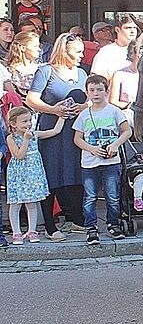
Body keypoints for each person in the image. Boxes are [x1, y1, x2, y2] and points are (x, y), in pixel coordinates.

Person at [26, 33, 88, 239]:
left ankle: (76, 219)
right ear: (64, 50)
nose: (82, 55)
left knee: (75, 172)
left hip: (75, 130)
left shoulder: (82, 73)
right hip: (52, 130)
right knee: (51, 174)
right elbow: (31, 100)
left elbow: (89, 99)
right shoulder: (46, 71)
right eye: (77, 51)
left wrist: (83, 107)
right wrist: (54, 110)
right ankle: (50, 225)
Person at [72, 74, 132, 245]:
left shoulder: (114, 111)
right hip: (90, 163)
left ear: (106, 91)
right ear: (87, 93)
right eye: (92, 90)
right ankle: (91, 227)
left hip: (111, 162)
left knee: (112, 195)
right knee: (90, 196)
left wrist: (115, 145)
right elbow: (77, 139)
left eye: (99, 90)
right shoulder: (84, 115)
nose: (96, 93)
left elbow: (126, 131)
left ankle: (113, 224)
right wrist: (91, 149)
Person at [6, 106, 66, 245]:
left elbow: (55, 131)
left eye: (29, 120)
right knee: (15, 204)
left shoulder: (35, 133)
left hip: (33, 173)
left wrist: (61, 117)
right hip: (18, 174)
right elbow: (19, 155)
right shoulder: (11, 138)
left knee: (32, 203)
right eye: (24, 121)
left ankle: (32, 231)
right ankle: (17, 232)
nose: (28, 124)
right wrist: (26, 139)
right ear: (14, 124)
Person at [91, 15, 139, 82]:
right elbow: (96, 79)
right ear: (117, 30)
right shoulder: (106, 52)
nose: (132, 31)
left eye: (135, 28)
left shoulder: (142, 50)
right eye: (128, 28)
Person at [109, 40, 139, 124]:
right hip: (126, 115)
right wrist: (130, 106)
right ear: (132, 54)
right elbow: (112, 101)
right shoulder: (119, 74)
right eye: (139, 52)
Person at [7, 31, 41, 100]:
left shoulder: (41, 69)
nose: (39, 49)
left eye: (39, 46)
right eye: (35, 46)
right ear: (23, 48)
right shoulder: (8, 72)